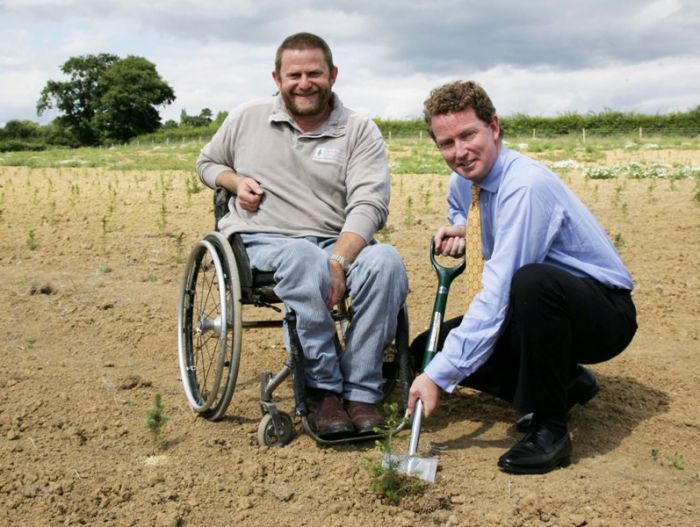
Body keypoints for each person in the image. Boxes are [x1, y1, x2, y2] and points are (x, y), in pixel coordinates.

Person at [407, 81, 637, 474]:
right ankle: (567, 384)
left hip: (601, 312)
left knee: (531, 282)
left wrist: (440, 377)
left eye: (468, 135)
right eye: (446, 143)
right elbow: (467, 211)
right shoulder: (465, 180)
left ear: (494, 127)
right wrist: (464, 228)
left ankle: (551, 429)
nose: (459, 152)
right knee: (425, 349)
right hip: (538, 309)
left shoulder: (525, 186)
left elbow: (498, 293)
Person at [196, 32, 408, 439]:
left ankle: (363, 391)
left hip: (335, 240)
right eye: (294, 74)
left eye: (315, 73)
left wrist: (339, 260)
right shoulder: (246, 119)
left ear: (333, 74)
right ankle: (324, 389)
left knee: (387, 262)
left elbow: (369, 205)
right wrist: (234, 180)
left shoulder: (358, 130)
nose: (305, 82)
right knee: (300, 257)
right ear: (277, 78)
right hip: (264, 240)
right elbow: (206, 163)